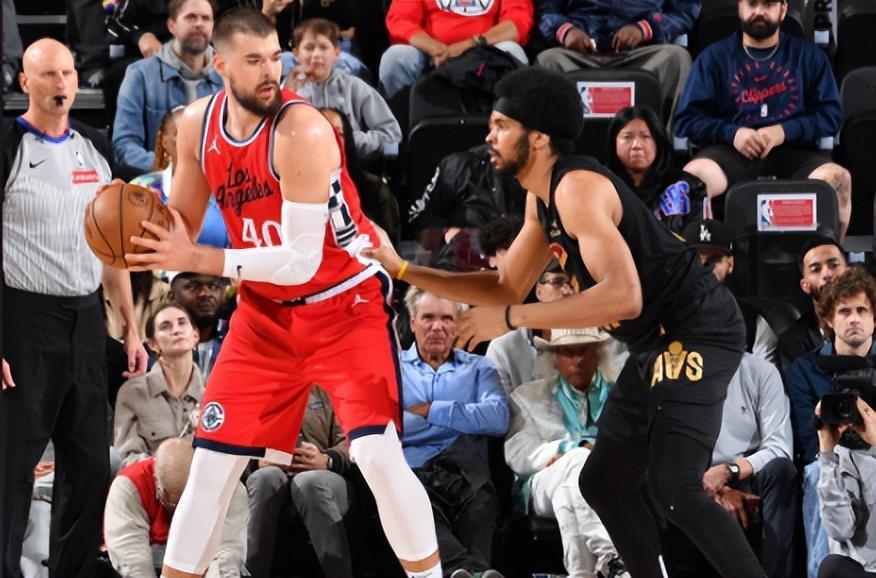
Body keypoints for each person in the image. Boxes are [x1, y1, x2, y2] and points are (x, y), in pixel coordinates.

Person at [365, 66, 765, 578]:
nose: (489, 136)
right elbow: (506, 285)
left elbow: (624, 296)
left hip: (698, 329)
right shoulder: (542, 197)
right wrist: (401, 268)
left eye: (501, 125)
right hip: (656, 340)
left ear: (537, 137)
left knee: (676, 487)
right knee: (602, 483)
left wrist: (510, 319)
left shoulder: (577, 188)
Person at [123, 8, 444, 578]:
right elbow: (184, 225)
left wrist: (200, 259)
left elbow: (301, 261)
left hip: (344, 302)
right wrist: (135, 229)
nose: (272, 71)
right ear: (221, 65)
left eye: (275, 57)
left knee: (375, 454)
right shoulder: (196, 125)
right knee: (211, 464)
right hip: (265, 311)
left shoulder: (303, 130)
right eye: (254, 61)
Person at [0, 38, 147, 578]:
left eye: (67, 73)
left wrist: (131, 327)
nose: (61, 83)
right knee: (12, 467)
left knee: (88, 468)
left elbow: (114, 247)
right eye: (48, 74)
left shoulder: (95, 146)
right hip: (22, 320)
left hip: (86, 320)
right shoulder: (9, 147)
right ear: (25, 83)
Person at [674, 0, 852, 239]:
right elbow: (687, 120)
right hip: (729, 154)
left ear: (783, 9)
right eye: (752, 4)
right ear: (740, 8)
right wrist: (733, 134)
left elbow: (830, 117)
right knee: (689, 182)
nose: (759, 11)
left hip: (795, 154)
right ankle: (700, 260)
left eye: (768, 4)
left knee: (839, 179)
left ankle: (828, 259)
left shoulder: (810, 57)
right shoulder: (713, 58)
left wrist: (784, 131)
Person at [400, 288, 509, 578]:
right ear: (412, 322)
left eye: (446, 318)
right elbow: (392, 424)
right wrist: (465, 415)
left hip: (465, 473)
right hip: (412, 473)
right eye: (428, 318)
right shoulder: (393, 369)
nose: (437, 326)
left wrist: (430, 410)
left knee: (482, 503)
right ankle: (476, 573)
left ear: (458, 323)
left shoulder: (479, 367)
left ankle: (465, 574)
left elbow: (497, 419)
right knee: (415, 505)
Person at [506, 328, 628, 578]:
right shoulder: (526, 397)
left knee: (567, 492)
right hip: (544, 481)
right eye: (568, 353)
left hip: (609, 481)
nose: (577, 360)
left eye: (584, 351)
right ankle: (611, 555)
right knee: (578, 460)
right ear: (554, 357)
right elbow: (518, 454)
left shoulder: (621, 394)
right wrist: (568, 448)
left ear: (598, 353)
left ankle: (583, 573)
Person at [664, 352, 797, 578]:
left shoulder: (760, 371)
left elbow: (780, 447)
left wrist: (728, 472)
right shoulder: (669, 375)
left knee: (781, 470)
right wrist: (715, 489)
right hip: (692, 481)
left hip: (745, 476)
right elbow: (663, 452)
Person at [786, 267, 876, 578]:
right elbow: (808, 432)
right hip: (831, 458)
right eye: (845, 311)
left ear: (874, 318)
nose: (854, 319)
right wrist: (830, 448)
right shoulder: (805, 368)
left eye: (862, 310)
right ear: (828, 319)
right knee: (816, 473)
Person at [245, 386, 357, 578]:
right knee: (265, 478)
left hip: (326, 474)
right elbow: (232, 443)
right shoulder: (255, 389)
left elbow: (352, 439)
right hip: (273, 472)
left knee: (309, 482)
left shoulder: (329, 387)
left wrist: (326, 459)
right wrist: (257, 460)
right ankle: (252, 573)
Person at [104, 439, 247, 578]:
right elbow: (131, 558)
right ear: (158, 487)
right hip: (152, 563)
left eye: (189, 504)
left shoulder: (227, 488)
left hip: (203, 566)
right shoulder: (129, 486)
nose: (181, 513)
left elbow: (225, 554)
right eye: (175, 505)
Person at [534, 0, 698, 118]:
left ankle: (673, 146)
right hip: (580, 53)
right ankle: (551, 148)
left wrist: (645, 29)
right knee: (547, 60)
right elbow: (546, 10)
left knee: (677, 59)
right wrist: (566, 31)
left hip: (641, 54)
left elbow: (684, 11)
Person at [112, 0, 223, 172]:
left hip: (217, 180)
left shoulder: (228, 75)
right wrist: (172, 169)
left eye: (206, 18)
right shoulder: (139, 74)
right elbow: (124, 146)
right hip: (158, 180)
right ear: (172, 26)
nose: (199, 23)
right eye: (191, 17)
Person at [285, 18, 401, 160]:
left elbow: (392, 138)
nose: (316, 55)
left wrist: (349, 139)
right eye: (309, 48)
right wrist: (287, 96)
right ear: (296, 54)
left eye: (323, 47)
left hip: (351, 166)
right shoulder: (287, 90)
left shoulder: (355, 87)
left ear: (336, 53)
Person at [379, 0, 532, 99]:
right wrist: (435, 48)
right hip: (430, 53)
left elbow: (517, 22)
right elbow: (399, 20)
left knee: (512, 51)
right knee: (396, 57)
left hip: (486, 53)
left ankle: (512, 133)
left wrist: (472, 44)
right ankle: (398, 133)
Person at [114, 303, 204, 467]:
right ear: (153, 344)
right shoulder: (133, 393)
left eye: (182, 323)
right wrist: (167, 470)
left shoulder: (214, 394)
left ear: (195, 335)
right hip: (150, 478)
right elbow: (127, 457)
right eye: (165, 327)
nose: (176, 330)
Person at [132, 107, 230, 250]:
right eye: (182, 134)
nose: (194, 141)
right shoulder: (141, 187)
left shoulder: (232, 188)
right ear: (165, 141)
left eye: (202, 133)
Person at [682, 219, 778, 363]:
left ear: (730, 264)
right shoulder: (664, 319)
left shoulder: (753, 323)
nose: (704, 268)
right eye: (695, 259)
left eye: (714, 260)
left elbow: (764, 376)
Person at [606, 106, 706, 235]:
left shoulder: (690, 186)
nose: (636, 145)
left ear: (658, 141)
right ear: (614, 142)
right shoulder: (600, 183)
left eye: (645, 136)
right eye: (627, 137)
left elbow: (698, 238)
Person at [486, 259, 575, 394]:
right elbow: (497, 405)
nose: (568, 291)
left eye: (575, 284)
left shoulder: (602, 341)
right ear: (539, 291)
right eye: (557, 282)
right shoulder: (503, 349)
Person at [815, 395, 876, 578]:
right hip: (863, 571)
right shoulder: (841, 455)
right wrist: (827, 455)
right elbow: (841, 530)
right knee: (833, 567)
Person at [320, 107, 401, 245]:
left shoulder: (376, 190)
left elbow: (391, 245)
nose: (332, 139)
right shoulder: (290, 190)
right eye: (325, 133)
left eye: (339, 133)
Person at [778, 236, 848, 372]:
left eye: (834, 265)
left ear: (849, 272)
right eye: (816, 269)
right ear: (805, 285)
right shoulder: (793, 341)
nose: (827, 274)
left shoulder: (871, 327)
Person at [167, 273, 228, 379]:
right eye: (193, 287)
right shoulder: (157, 347)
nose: (206, 293)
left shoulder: (238, 341)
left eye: (213, 286)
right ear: (171, 296)